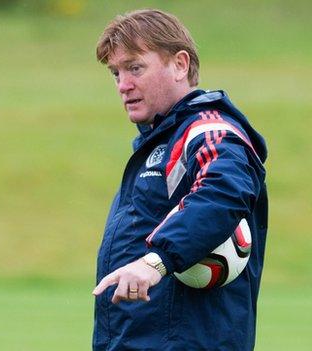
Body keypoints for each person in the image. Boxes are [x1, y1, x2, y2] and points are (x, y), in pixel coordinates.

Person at [91, 9, 268, 351]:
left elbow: (223, 192)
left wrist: (155, 262)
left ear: (180, 65)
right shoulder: (160, 143)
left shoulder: (209, 131)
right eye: (115, 73)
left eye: (135, 67)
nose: (123, 85)